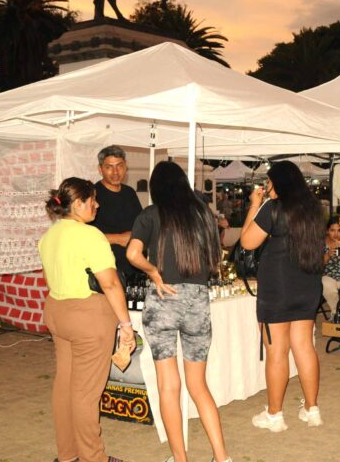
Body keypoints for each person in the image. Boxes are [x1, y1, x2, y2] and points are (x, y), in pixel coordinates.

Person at [125, 161, 230, 462]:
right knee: (198, 385)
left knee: (169, 387)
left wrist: (153, 271)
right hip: (197, 299)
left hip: (163, 299)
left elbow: (132, 254)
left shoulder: (151, 214)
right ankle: (222, 457)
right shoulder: (203, 216)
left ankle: (180, 459)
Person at [39, 177, 134, 462]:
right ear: (78, 203)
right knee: (86, 393)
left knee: (65, 385)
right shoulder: (90, 234)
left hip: (57, 311)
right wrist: (126, 325)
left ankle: (68, 456)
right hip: (87, 318)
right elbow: (111, 284)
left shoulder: (49, 235)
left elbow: (49, 278)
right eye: (92, 199)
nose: (97, 204)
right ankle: (94, 458)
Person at [240, 160, 325, 432]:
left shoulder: (273, 208)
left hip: (277, 287)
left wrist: (255, 204)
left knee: (277, 350)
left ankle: (275, 415)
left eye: (270, 182)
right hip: (308, 283)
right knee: (304, 345)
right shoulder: (314, 209)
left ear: (277, 183)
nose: (267, 187)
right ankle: (312, 409)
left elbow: (247, 242)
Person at [90, 146, 143, 289]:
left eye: (119, 166)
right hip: (106, 273)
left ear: (125, 167)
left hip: (134, 269)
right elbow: (84, 236)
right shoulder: (92, 195)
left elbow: (140, 226)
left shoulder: (130, 193)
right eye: (109, 167)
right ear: (100, 169)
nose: (115, 172)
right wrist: (119, 238)